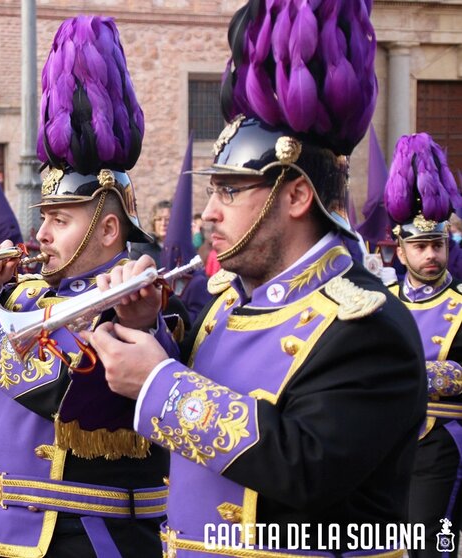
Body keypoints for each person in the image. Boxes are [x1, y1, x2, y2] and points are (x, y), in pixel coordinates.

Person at [84, 1, 426, 555]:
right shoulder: (225, 304)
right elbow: (211, 388)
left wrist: (157, 385)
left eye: (229, 191)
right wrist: (147, 326)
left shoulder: (367, 322)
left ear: (295, 195)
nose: (208, 214)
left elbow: (309, 470)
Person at [0, 16, 173, 557]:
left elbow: (71, 395)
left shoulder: (133, 299)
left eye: (59, 219)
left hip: (77, 534)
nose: (42, 233)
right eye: (44, 216)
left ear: (106, 227)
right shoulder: (28, 294)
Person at [383, 133, 462, 558]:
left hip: (442, 444)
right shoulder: (378, 306)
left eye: (438, 245)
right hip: (383, 442)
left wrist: (413, 375)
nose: (431, 255)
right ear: (400, 250)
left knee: (431, 549)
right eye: (420, 246)